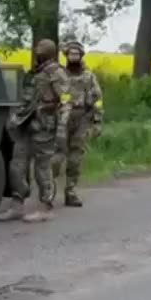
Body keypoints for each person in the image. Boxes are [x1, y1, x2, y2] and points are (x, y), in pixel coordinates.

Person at [0, 39, 70, 223]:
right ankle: (17, 205)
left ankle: (45, 207)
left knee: (42, 167)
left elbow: (67, 101)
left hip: (45, 125)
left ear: (50, 53)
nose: (37, 52)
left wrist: (61, 127)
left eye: (41, 50)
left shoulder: (57, 73)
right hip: (26, 125)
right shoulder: (35, 73)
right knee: (17, 165)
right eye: (37, 49)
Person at [61, 40, 103, 207]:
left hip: (81, 119)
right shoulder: (60, 75)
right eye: (71, 54)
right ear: (66, 56)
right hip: (62, 120)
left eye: (77, 54)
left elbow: (97, 99)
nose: (74, 57)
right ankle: (47, 192)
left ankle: (70, 191)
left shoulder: (88, 76)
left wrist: (97, 121)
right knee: (55, 158)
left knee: (75, 158)